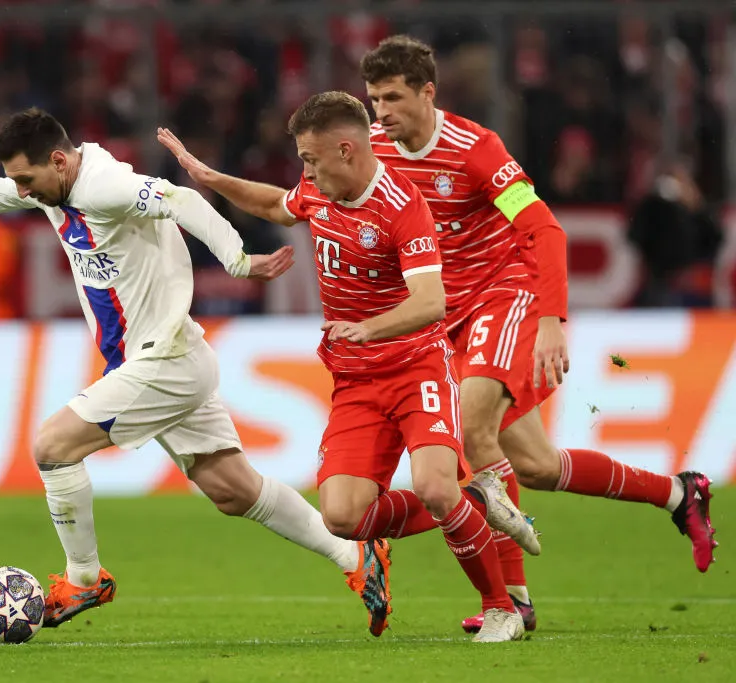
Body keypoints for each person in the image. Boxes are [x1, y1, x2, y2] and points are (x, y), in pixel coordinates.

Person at [162, 35, 718, 635]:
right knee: (532, 464)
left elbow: (544, 230)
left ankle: (514, 600)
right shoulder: (365, 151)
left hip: (498, 297)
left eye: (395, 98)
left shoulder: (476, 150)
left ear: (429, 93)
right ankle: (676, 493)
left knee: (473, 425)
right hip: (434, 317)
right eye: (375, 99)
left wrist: (553, 321)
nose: (383, 113)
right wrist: (207, 176)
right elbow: (286, 204)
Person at [0, 107, 393, 636]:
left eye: (26, 178)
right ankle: (355, 552)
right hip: (164, 358)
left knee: (53, 445)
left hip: (167, 361)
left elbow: (180, 200)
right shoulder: (52, 185)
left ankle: (85, 578)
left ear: (59, 161)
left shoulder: (105, 186)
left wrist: (237, 260)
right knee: (231, 489)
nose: (20, 191)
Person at [164, 91, 543, 643]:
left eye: (311, 159)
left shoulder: (402, 207)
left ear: (347, 150)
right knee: (342, 517)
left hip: (417, 370)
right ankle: (479, 498)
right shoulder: (319, 190)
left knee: (437, 487)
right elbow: (275, 204)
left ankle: (500, 608)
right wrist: (210, 178)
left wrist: (370, 326)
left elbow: (431, 301)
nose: (305, 171)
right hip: (356, 382)